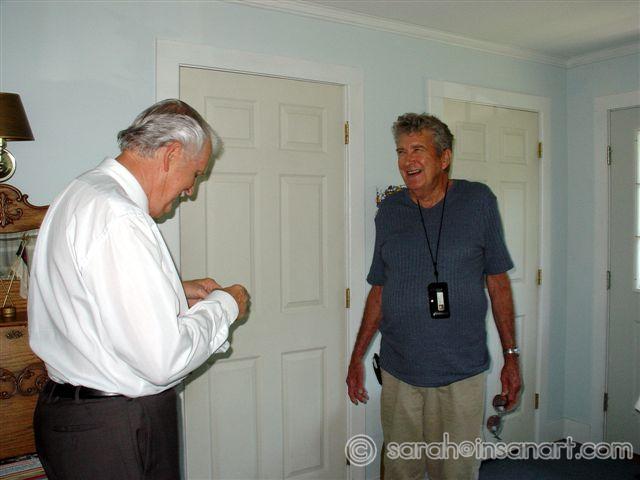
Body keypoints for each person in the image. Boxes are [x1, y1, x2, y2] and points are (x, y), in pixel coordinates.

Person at [28, 99, 249, 479]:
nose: (191, 190)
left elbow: (84, 289)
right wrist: (226, 304)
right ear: (171, 154)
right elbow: (163, 359)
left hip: (79, 418)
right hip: (113, 424)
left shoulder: (81, 191)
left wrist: (172, 289)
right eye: (196, 174)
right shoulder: (120, 217)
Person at [346, 113, 521, 480]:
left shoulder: (478, 201)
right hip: (400, 372)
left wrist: (511, 357)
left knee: (455, 471)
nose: (407, 160)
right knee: (399, 470)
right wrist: (356, 357)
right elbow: (379, 288)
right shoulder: (390, 211)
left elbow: (498, 282)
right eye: (401, 151)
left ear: (444, 158)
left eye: (417, 150)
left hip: (460, 374)